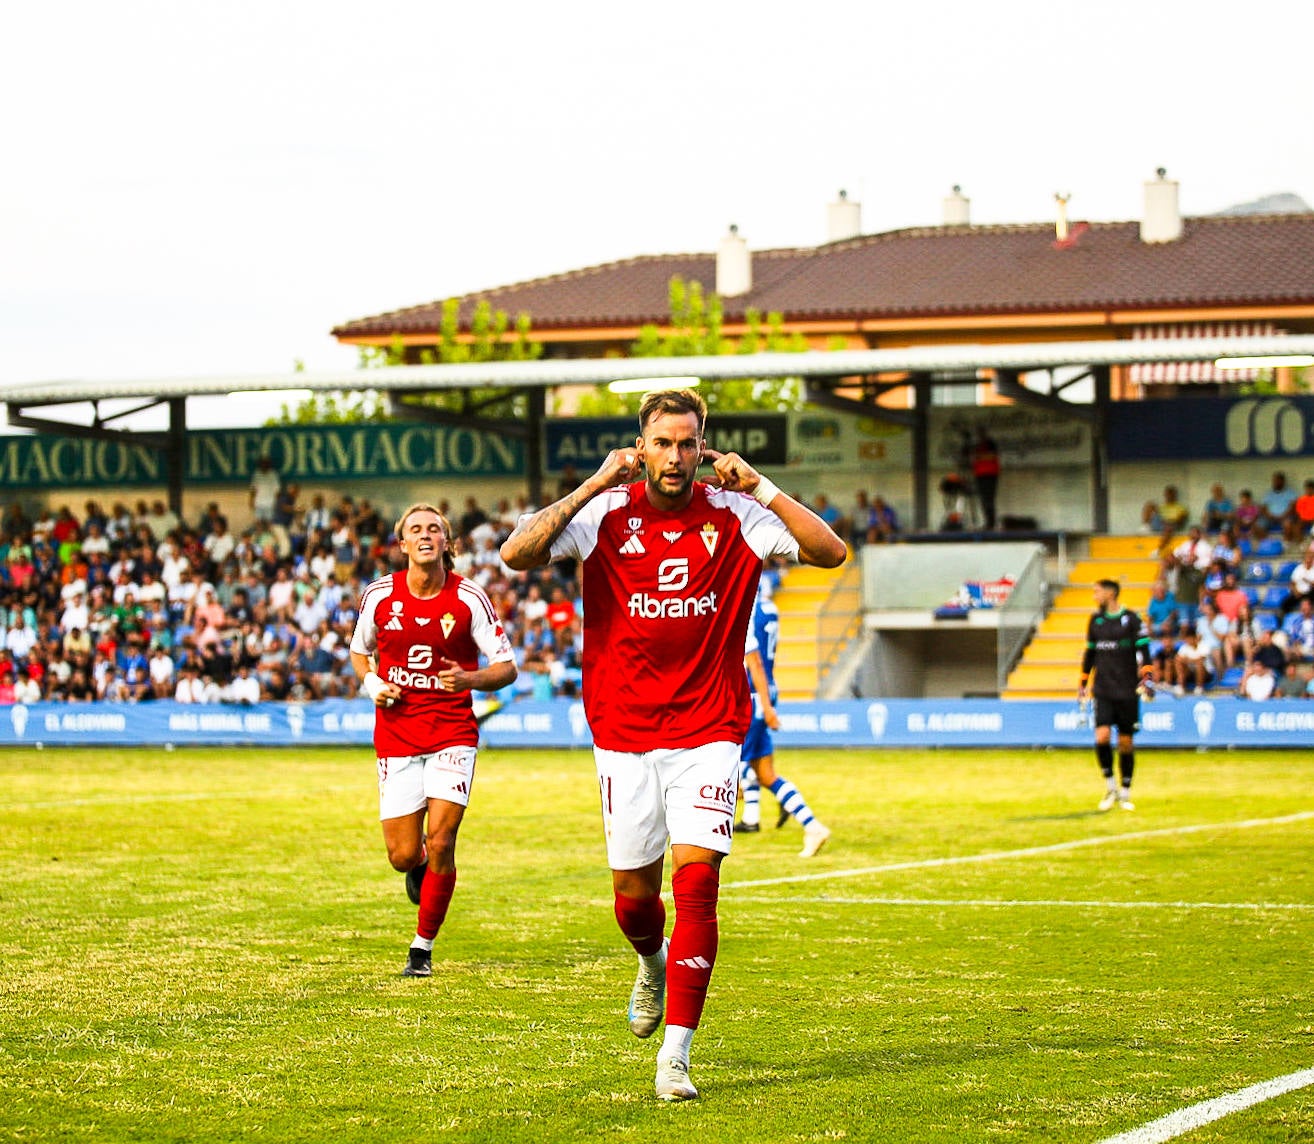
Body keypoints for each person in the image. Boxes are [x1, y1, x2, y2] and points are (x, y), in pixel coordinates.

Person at [500, 388, 846, 1102]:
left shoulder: (739, 515)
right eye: (663, 443)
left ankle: (676, 1058)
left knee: (698, 882)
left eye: (689, 443)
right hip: (623, 733)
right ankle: (651, 962)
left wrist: (767, 488)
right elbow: (516, 555)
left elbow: (830, 551)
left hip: (710, 730)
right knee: (633, 898)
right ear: (641, 446)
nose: (676, 457)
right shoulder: (604, 514)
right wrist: (596, 481)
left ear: (704, 447)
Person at [351, 503, 517, 979]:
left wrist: (469, 677)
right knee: (404, 855)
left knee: (442, 840)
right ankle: (419, 866)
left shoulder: (470, 599)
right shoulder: (380, 596)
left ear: (447, 543)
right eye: (415, 530)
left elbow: (507, 667)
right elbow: (360, 651)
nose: (425, 535)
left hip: (452, 733)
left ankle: (421, 949)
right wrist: (372, 685)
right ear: (402, 545)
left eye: (434, 530)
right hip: (397, 734)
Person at [733, 580, 831, 856]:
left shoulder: (747, 610)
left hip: (753, 695)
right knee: (765, 773)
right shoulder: (770, 608)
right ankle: (809, 827)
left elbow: (753, 660)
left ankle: (737, 821)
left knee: (735, 769)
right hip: (765, 693)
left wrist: (763, 704)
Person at [1078, 579, 1152, 812]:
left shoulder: (1132, 619)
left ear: (1111, 593)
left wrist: (1147, 677)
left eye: (1097, 591)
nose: (1094, 596)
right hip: (1103, 689)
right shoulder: (1095, 621)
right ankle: (1111, 787)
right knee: (1101, 737)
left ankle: (1126, 792)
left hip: (1128, 689)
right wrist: (1082, 682)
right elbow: (1090, 654)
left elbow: (1144, 651)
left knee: (1125, 742)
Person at [970, 428, 1001, 530]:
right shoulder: (976, 446)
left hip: (990, 473)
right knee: (983, 499)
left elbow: (993, 455)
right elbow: (973, 457)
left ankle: (991, 523)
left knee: (989, 499)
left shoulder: (991, 443)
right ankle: (987, 522)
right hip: (979, 474)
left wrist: (979, 457)